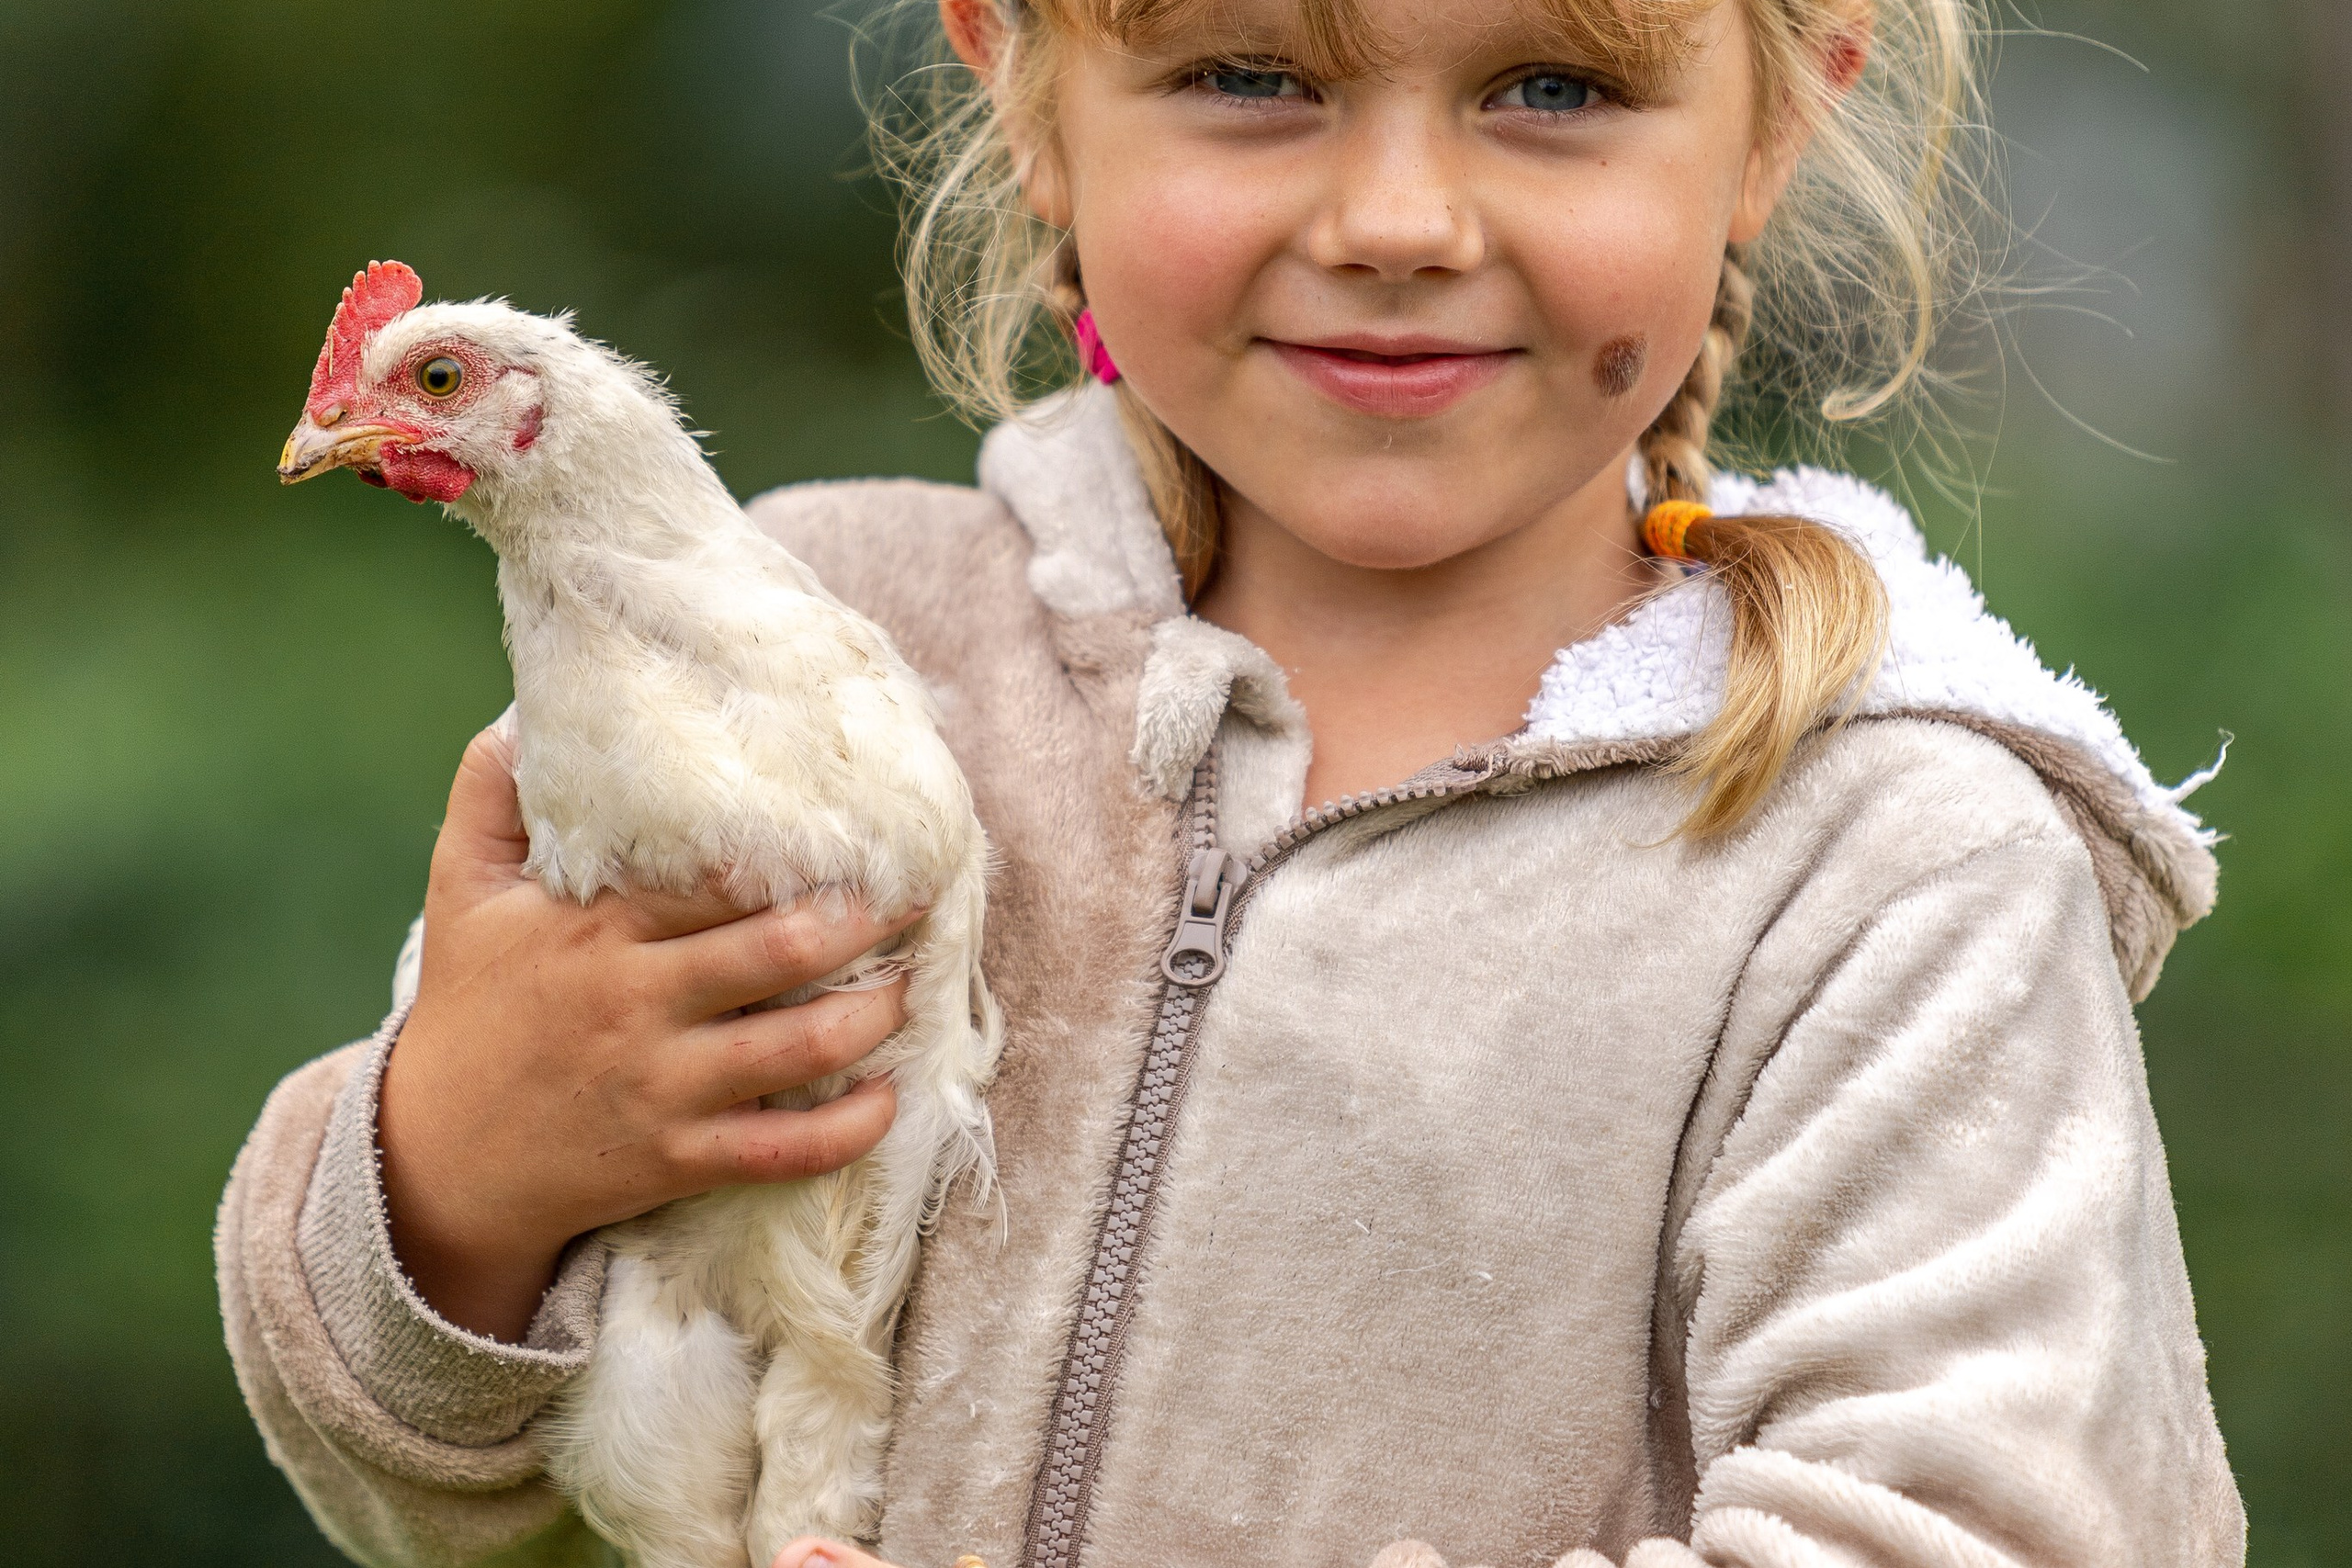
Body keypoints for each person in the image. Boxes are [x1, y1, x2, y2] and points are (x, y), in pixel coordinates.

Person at [216, 0, 2246, 1562]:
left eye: (1549, 86)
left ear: (1773, 125)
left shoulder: (1887, 864)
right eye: (1251, 74)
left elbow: (1978, 1528)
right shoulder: (810, 644)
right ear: (1025, 92)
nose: (1394, 224)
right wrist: (459, 1168)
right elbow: (420, 1489)